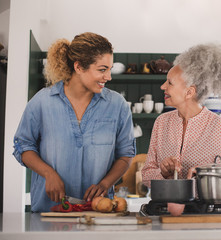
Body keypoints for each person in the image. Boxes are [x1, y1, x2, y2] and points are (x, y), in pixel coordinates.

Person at [13, 32, 135, 212]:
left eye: (110, 69)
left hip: (97, 212)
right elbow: (23, 146)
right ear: (78, 67)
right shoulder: (42, 102)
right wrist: (48, 173)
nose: (108, 77)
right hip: (50, 210)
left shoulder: (118, 105)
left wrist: (105, 183)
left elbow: (126, 155)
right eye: (102, 69)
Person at [141, 43, 221, 190]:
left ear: (189, 92)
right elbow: (146, 176)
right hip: (169, 210)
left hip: (205, 211)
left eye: (170, 83)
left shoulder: (220, 126)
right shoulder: (161, 122)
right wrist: (163, 173)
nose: (163, 86)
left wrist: (206, 175)